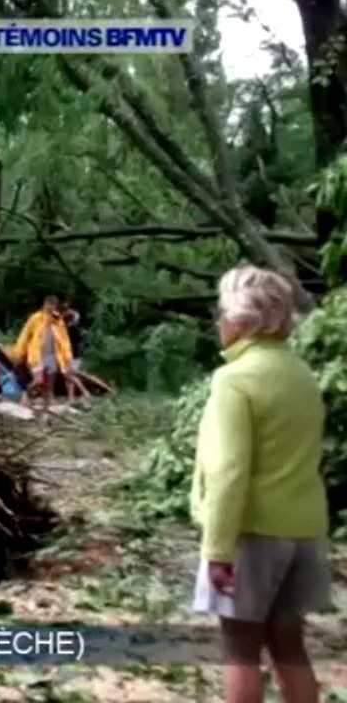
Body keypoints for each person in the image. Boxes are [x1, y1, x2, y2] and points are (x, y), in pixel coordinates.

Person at [191, 265, 332, 703]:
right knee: (289, 644)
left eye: (222, 312)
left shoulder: (234, 380)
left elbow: (228, 471)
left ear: (242, 320)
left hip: (253, 534)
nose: (219, 322)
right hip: (305, 531)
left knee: (240, 647)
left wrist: (218, 550)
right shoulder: (303, 375)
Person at [12, 295, 73, 406]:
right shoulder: (36, 318)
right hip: (37, 355)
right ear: (44, 305)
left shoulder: (58, 319)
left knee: (50, 382)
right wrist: (19, 352)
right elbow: (25, 335)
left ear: (55, 306)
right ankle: (25, 394)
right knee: (38, 380)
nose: (51, 308)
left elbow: (64, 339)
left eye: (53, 306)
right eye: (49, 305)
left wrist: (67, 355)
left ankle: (50, 399)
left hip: (53, 354)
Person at [61, 300, 85, 399]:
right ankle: (71, 398)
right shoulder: (73, 326)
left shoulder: (72, 328)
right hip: (72, 354)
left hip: (74, 354)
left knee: (69, 375)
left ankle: (85, 392)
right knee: (68, 377)